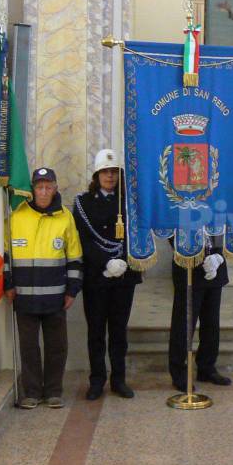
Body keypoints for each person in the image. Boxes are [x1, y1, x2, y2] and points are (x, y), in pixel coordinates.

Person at [4, 167, 83, 409]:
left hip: (55, 298)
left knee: (56, 347)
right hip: (24, 297)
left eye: (49, 186)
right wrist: (8, 285)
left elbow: (75, 258)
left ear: (56, 188)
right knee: (28, 348)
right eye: (39, 187)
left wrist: (72, 290)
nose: (44, 191)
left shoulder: (65, 217)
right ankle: (32, 392)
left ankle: (53, 391)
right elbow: (5, 255)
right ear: (32, 189)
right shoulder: (17, 215)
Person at [73, 149, 141, 401]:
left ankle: (119, 379)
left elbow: (137, 235)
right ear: (96, 175)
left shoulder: (129, 202)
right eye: (105, 172)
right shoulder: (83, 202)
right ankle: (97, 380)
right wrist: (106, 262)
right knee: (96, 331)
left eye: (113, 172)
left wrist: (122, 262)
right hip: (97, 277)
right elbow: (83, 239)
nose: (110, 176)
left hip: (124, 276)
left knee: (119, 331)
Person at [169, 235, 232, 392]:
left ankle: (207, 367)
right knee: (184, 324)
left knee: (211, 322)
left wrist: (218, 255)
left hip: (215, 267)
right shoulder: (181, 208)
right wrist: (199, 255)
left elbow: (220, 228)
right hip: (188, 266)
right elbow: (170, 231)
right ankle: (179, 373)